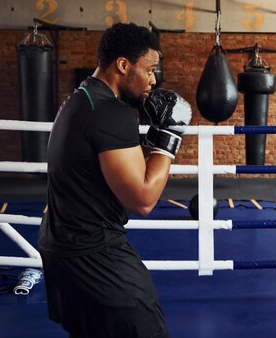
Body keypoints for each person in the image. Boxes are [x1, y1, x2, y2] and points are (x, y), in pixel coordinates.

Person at [38, 22, 191, 338]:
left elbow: (108, 170)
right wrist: (170, 137)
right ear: (123, 65)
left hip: (61, 250)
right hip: (95, 256)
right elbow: (142, 199)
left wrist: (148, 142)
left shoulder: (79, 99)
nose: (153, 80)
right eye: (149, 70)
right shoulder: (110, 113)